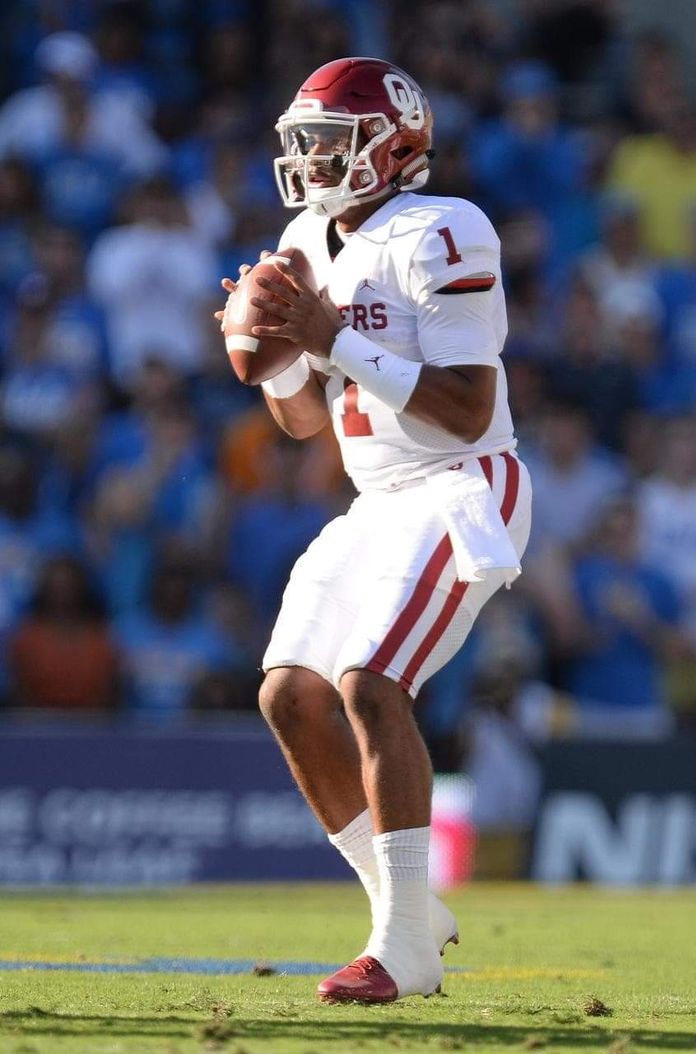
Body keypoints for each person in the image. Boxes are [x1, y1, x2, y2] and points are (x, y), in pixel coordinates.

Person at [217, 58, 532, 1004]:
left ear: (389, 145)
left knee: (369, 681)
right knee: (287, 695)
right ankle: (411, 910)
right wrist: (271, 360)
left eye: (328, 141)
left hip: (460, 483)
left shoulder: (445, 227)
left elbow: (468, 411)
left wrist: (326, 336)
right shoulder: (304, 235)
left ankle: (401, 948)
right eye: (302, 141)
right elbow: (305, 421)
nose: (310, 160)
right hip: (378, 499)